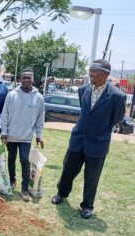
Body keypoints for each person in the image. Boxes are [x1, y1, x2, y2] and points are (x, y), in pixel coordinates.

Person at [51, 59, 126, 219]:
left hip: (98, 143)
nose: (90, 73)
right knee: (67, 170)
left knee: (92, 177)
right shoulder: (83, 89)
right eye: (90, 70)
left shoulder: (117, 96)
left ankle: (87, 206)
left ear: (105, 74)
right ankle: (61, 194)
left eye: (94, 71)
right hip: (77, 140)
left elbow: (116, 118)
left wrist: (99, 130)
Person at [0, 68, 45, 202]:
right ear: (20, 79)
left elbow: (40, 118)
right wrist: (4, 132)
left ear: (32, 79)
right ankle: (12, 180)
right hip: (11, 135)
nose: (26, 80)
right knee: (11, 158)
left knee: (24, 160)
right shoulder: (12, 95)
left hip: (26, 137)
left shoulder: (39, 97)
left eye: (29, 77)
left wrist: (39, 134)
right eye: (24, 77)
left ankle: (24, 189)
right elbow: (4, 114)